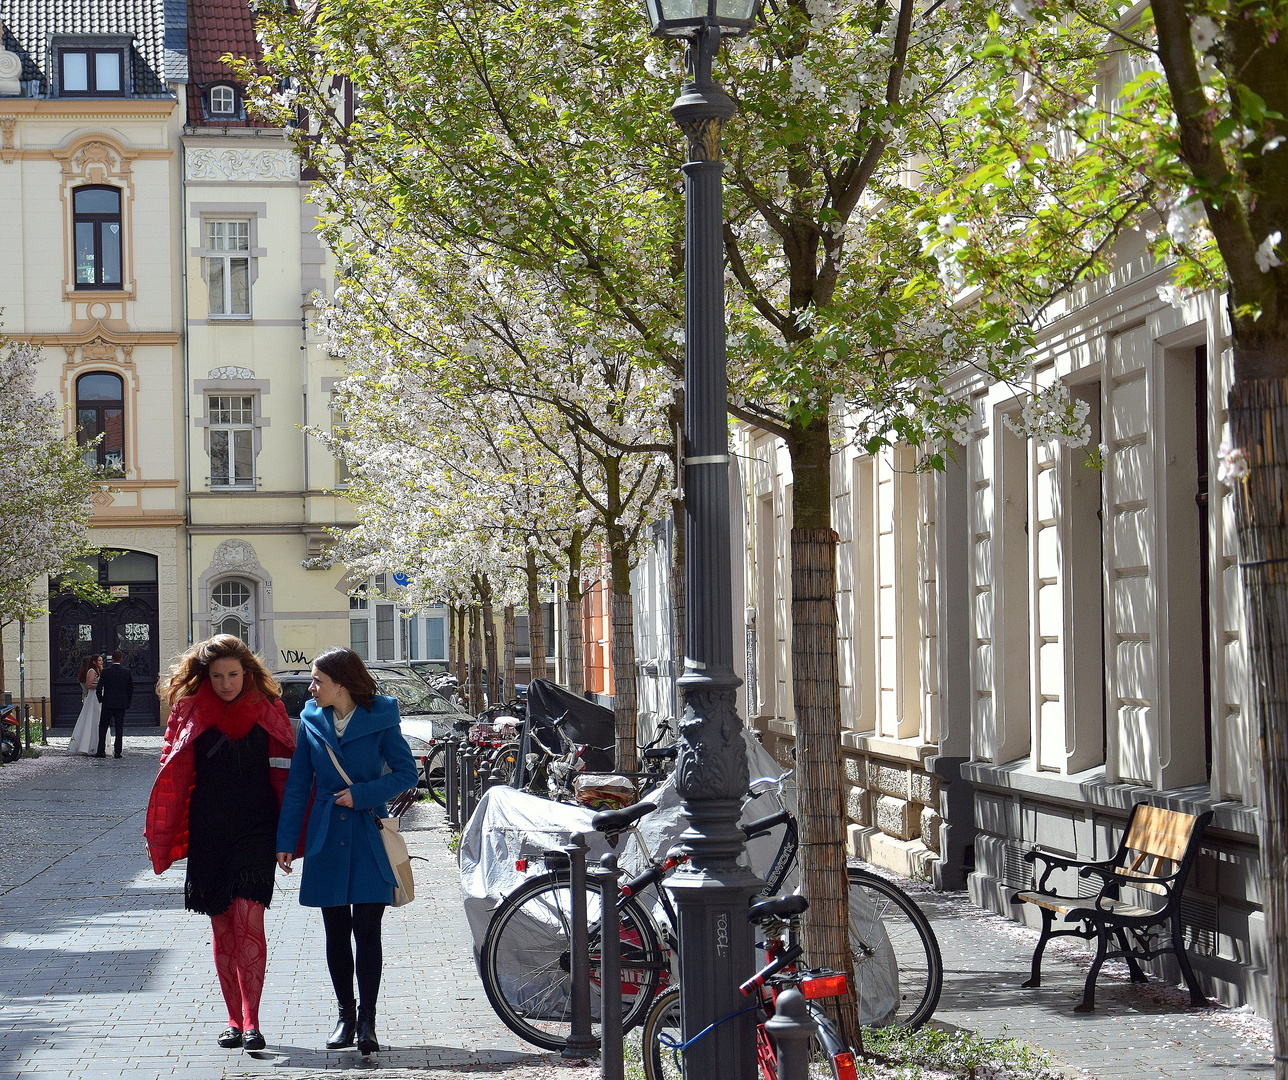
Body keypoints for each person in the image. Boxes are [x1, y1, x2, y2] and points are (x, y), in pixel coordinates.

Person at [144, 635, 296, 1054]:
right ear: (204, 677)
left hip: (257, 827)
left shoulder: (269, 710)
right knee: (223, 923)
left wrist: (288, 835)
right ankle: (232, 1019)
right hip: (209, 828)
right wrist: (161, 832)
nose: (226, 683)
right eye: (217, 676)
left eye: (233, 674)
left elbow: (290, 776)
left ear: (247, 673)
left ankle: (252, 1021)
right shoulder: (189, 711)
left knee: (249, 918)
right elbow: (169, 774)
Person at [275, 647, 417, 1057]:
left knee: (367, 931)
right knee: (335, 931)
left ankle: (369, 1020)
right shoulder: (312, 719)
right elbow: (299, 783)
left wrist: (361, 794)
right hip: (324, 837)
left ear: (342, 683)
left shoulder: (382, 715)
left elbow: (407, 773)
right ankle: (346, 1016)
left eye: (319, 680)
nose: (312, 687)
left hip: (368, 834)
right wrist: (286, 842)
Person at [95, 650, 133, 758]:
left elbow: (99, 687)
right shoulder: (126, 672)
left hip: (108, 703)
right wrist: (127, 702)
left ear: (112, 659)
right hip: (121, 704)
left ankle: (100, 751)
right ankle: (117, 752)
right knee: (119, 727)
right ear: (120, 659)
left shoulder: (106, 672)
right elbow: (130, 689)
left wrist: (101, 699)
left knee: (103, 726)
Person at [68, 655, 103, 756]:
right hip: (93, 697)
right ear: (94, 662)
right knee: (91, 719)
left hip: (97, 697)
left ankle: (96, 744)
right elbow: (89, 685)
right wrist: (101, 685)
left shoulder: (99, 671)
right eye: (99, 660)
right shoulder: (92, 671)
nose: (101, 662)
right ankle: (87, 745)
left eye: (102, 660)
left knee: (97, 719)